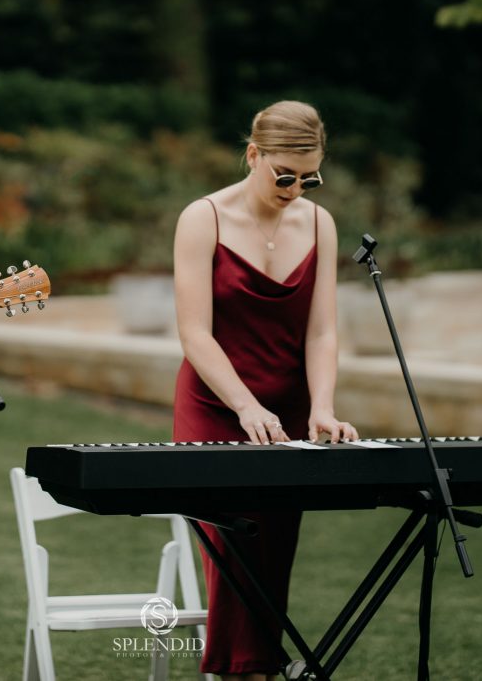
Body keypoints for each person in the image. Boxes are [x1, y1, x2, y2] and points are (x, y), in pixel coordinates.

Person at [172, 99, 359, 681]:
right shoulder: (203, 218)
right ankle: (245, 673)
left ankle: (253, 670)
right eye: (285, 176)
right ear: (253, 155)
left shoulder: (319, 223)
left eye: (310, 178)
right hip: (216, 405)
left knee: (273, 557)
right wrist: (245, 405)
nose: (296, 189)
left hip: (289, 412)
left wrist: (323, 406)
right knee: (235, 551)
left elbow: (322, 331)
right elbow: (194, 334)